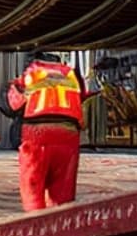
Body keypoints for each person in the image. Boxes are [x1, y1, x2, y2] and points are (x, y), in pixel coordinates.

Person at [5, 50, 87, 211]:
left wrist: (11, 86)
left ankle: (35, 228)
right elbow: (82, 97)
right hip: (68, 135)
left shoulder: (31, 73)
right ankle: (62, 231)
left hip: (37, 135)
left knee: (33, 193)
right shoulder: (70, 74)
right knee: (63, 198)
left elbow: (13, 104)